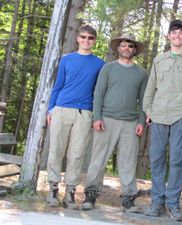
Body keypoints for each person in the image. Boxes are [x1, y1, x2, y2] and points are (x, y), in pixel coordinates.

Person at [81, 33, 148, 212]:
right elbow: (99, 94)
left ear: (135, 50)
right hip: (107, 120)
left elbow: (143, 101)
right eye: (124, 45)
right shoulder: (108, 69)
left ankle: (128, 198)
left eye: (130, 46)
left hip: (130, 123)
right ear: (118, 48)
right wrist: (97, 118)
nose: (126, 49)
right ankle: (90, 194)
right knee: (98, 159)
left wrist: (141, 121)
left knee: (128, 161)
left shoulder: (141, 73)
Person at [143, 19, 182, 221]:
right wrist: (148, 110)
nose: (177, 36)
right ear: (168, 36)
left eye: (181, 33)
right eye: (173, 32)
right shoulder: (159, 60)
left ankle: (173, 205)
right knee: (157, 159)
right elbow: (150, 88)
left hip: (180, 115)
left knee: (177, 160)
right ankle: (156, 202)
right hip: (158, 115)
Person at [46, 25, 105, 209]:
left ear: (94, 41)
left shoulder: (99, 64)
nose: (87, 40)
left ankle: (70, 192)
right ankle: (53, 190)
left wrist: (96, 115)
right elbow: (58, 85)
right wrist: (51, 109)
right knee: (56, 149)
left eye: (91, 38)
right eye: (84, 37)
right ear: (78, 38)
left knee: (77, 153)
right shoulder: (67, 60)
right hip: (62, 109)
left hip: (84, 112)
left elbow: (99, 92)